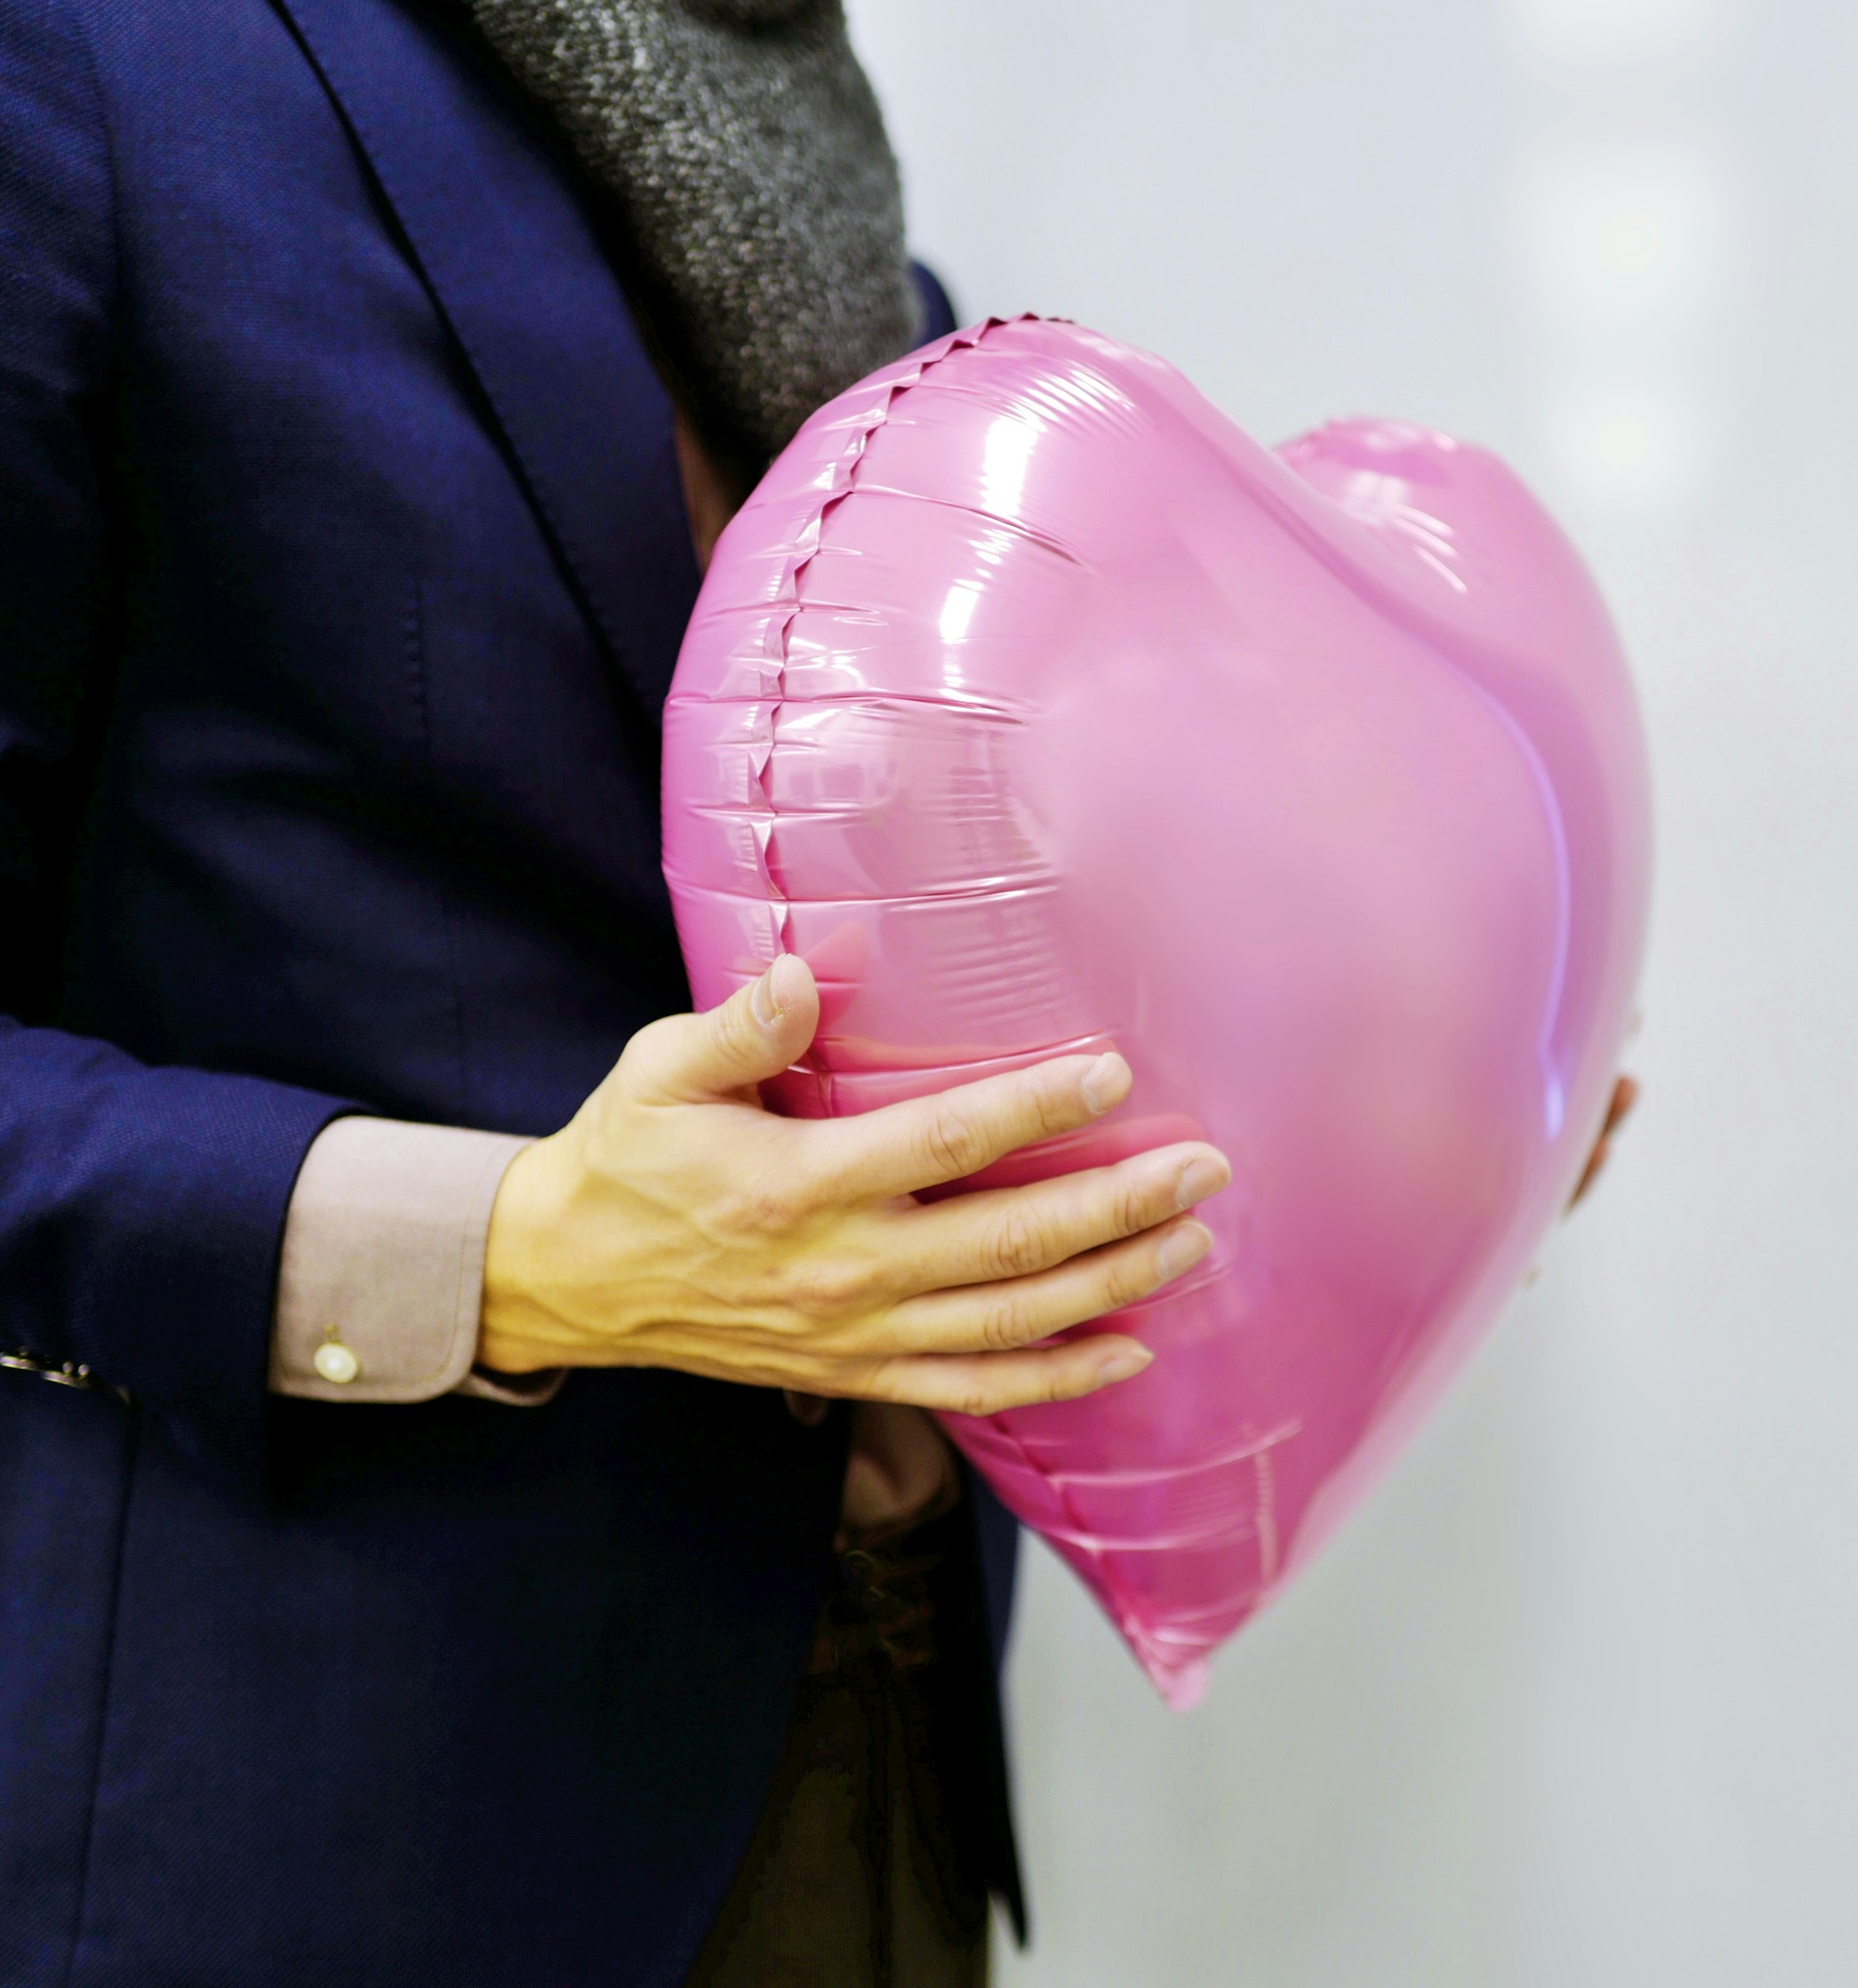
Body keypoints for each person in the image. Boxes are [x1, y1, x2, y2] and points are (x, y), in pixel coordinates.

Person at [0, 2, 1634, 1981]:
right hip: (335, 1818)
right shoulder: (99, 70)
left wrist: (1395, 1112)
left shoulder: (863, 246)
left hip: (885, 1729)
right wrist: (503, 1247)